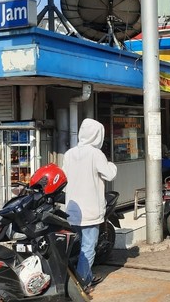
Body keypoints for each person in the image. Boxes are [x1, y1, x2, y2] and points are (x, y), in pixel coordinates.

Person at [63, 118, 117, 294]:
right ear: (97, 135)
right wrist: (111, 165)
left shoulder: (69, 153)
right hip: (90, 210)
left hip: (72, 210)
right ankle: (82, 283)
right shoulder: (96, 154)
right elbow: (109, 175)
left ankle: (82, 275)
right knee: (88, 247)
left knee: (76, 246)